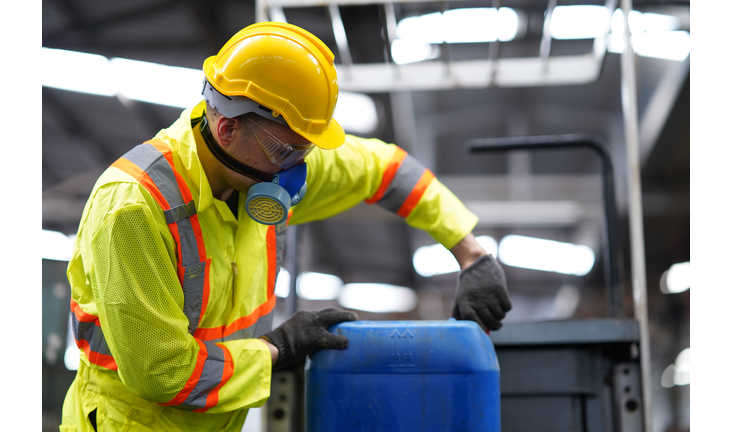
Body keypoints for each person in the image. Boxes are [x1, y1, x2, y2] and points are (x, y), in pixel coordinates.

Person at [60, 22, 512, 432]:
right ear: (227, 127)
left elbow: (387, 169)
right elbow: (161, 372)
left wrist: (471, 253)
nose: (296, 172)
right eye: (285, 152)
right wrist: (278, 348)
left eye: (305, 152)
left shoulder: (263, 167)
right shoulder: (134, 208)